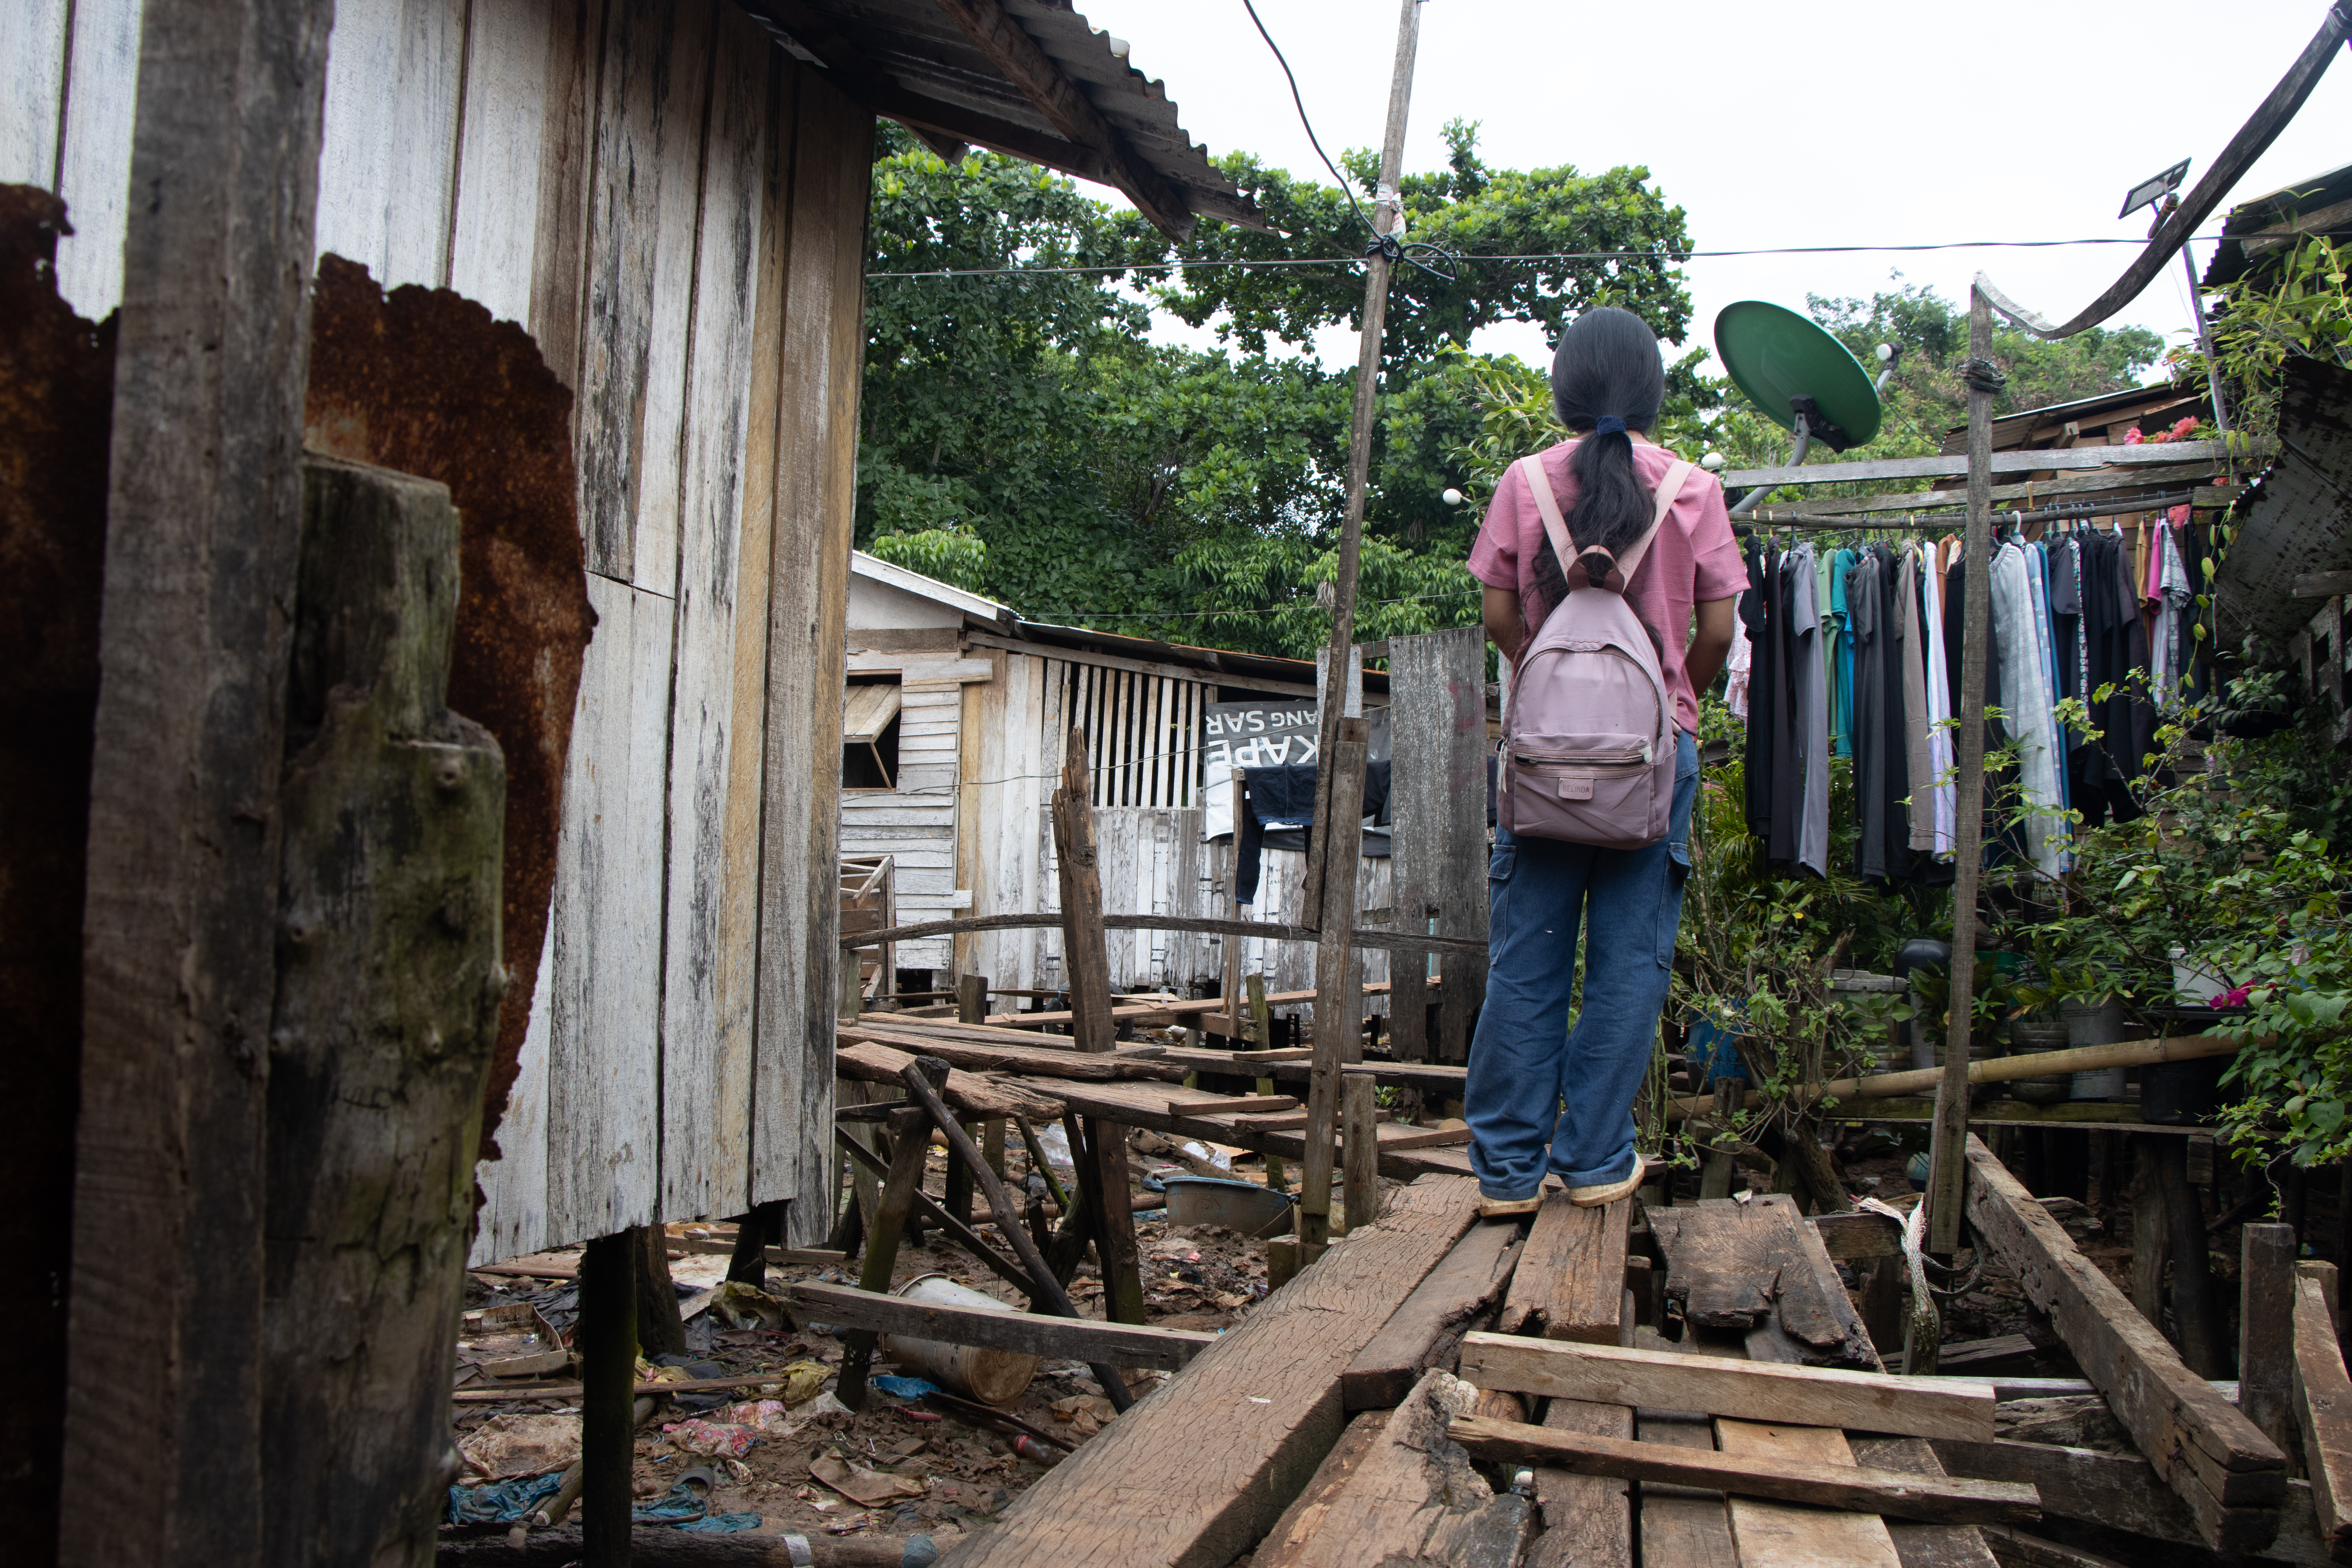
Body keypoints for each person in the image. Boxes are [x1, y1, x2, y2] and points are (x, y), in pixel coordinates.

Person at [1463, 307, 1743, 1217]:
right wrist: (1671, 702)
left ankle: (1506, 1174)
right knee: (1629, 964)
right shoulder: (1694, 490)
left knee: (1526, 959)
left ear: (1566, 389)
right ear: (1654, 391)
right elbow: (1717, 631)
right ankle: (1592, 1162)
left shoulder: (1524, 482)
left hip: (1542, 761)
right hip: (1655, 763)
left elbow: (1501, 617)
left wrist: (1546, 680)